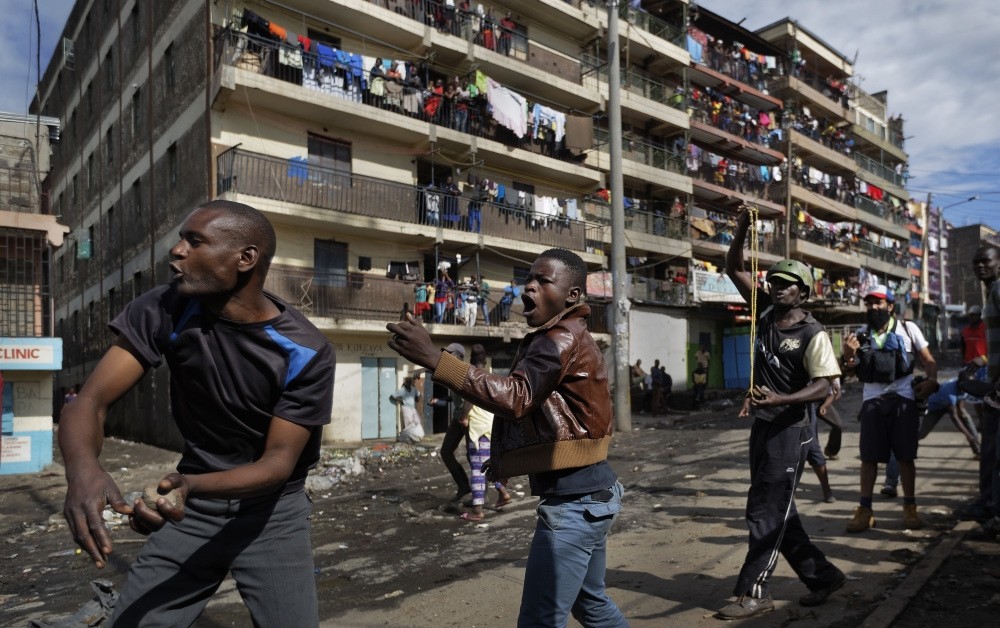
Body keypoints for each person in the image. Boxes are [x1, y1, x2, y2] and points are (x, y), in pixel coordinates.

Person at [58, 200, 336, 626]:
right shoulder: (167, 307)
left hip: (271, 514)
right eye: (181, 238)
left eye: (195, 240)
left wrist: (188, 485)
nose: (177, 250)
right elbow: (90, 401)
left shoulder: (306, 351)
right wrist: (82, 470)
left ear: (245, 258)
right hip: (194, 510)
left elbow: (278, 464)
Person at [387, 248, 627, 627]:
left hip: (575, 503)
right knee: (591, 605)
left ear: (573, 296)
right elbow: (536, 406)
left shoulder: (558, 338)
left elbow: (516, 396)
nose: (528, 287)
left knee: (539, 620)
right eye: (527, 279)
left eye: (543, 280)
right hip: (592, 493)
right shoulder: (567, 335)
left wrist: (436, 359)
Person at [718, 209, 845, 620]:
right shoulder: (766, 313)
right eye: (773, 281)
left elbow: (824, 384)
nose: (777, 288)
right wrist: (742, 229)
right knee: (778, 510)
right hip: (765, 426)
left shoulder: (813, 333)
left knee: (764, 511)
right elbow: (732, 265)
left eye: (788, 285)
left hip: (793, 431)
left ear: (802, 293)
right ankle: (823, 577)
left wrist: (781, 400)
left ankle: (754, 592)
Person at [840, 285, 938, 533]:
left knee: (906, 457)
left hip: (903, 400)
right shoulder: (860, 335)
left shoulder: (908, 329)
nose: (873, 307)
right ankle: (865, 510)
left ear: (890, 306)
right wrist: (848, 356)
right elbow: (849, 372)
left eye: (879, 302)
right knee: (868, 459)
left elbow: (928, 360)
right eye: (870, 302)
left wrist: (931, 381)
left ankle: (910, 508)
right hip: (872, 402)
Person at [460, 344, 512, 521]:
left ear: (471, 361)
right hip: (490, 426)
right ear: (485, 360)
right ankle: (503, 493)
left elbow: (468, 401)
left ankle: (477, 511)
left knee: (476, 469)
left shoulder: (471, 376)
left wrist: (463, 417)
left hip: (477, 428)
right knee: (486, 464)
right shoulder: (491, 376)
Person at [972, 245, 1000, 533]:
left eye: (986, 261)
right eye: (976, 262)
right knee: (990, 447)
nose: (980, 265)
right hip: (994, 386)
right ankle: (988, 503)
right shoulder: (992, 292)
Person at [427, 343, 472, 503]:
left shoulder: (466, 371)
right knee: (446, 452)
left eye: (449, 353)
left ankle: (481, 496)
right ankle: (464, 486)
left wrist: (465, 418)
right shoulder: (454, 373)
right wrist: (439, 401)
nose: (446, 357)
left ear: (459, 356)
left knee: (473, 456)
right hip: (458, 418)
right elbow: (454, 397)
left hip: (469, 419)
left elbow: (469, 399)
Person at [391, 374, 425, 444]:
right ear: (406, 383)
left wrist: (417, 399)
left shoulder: (413, 388)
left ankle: (416, 436)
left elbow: (419, 395)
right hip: (406, 408)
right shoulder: (402, 390)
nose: (410, 383)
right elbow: (392, 396)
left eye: (411, 382)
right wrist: (401, 401)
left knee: (417, 421)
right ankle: (408, 438)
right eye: (409, 382)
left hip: (413, 408)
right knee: (408, 424)